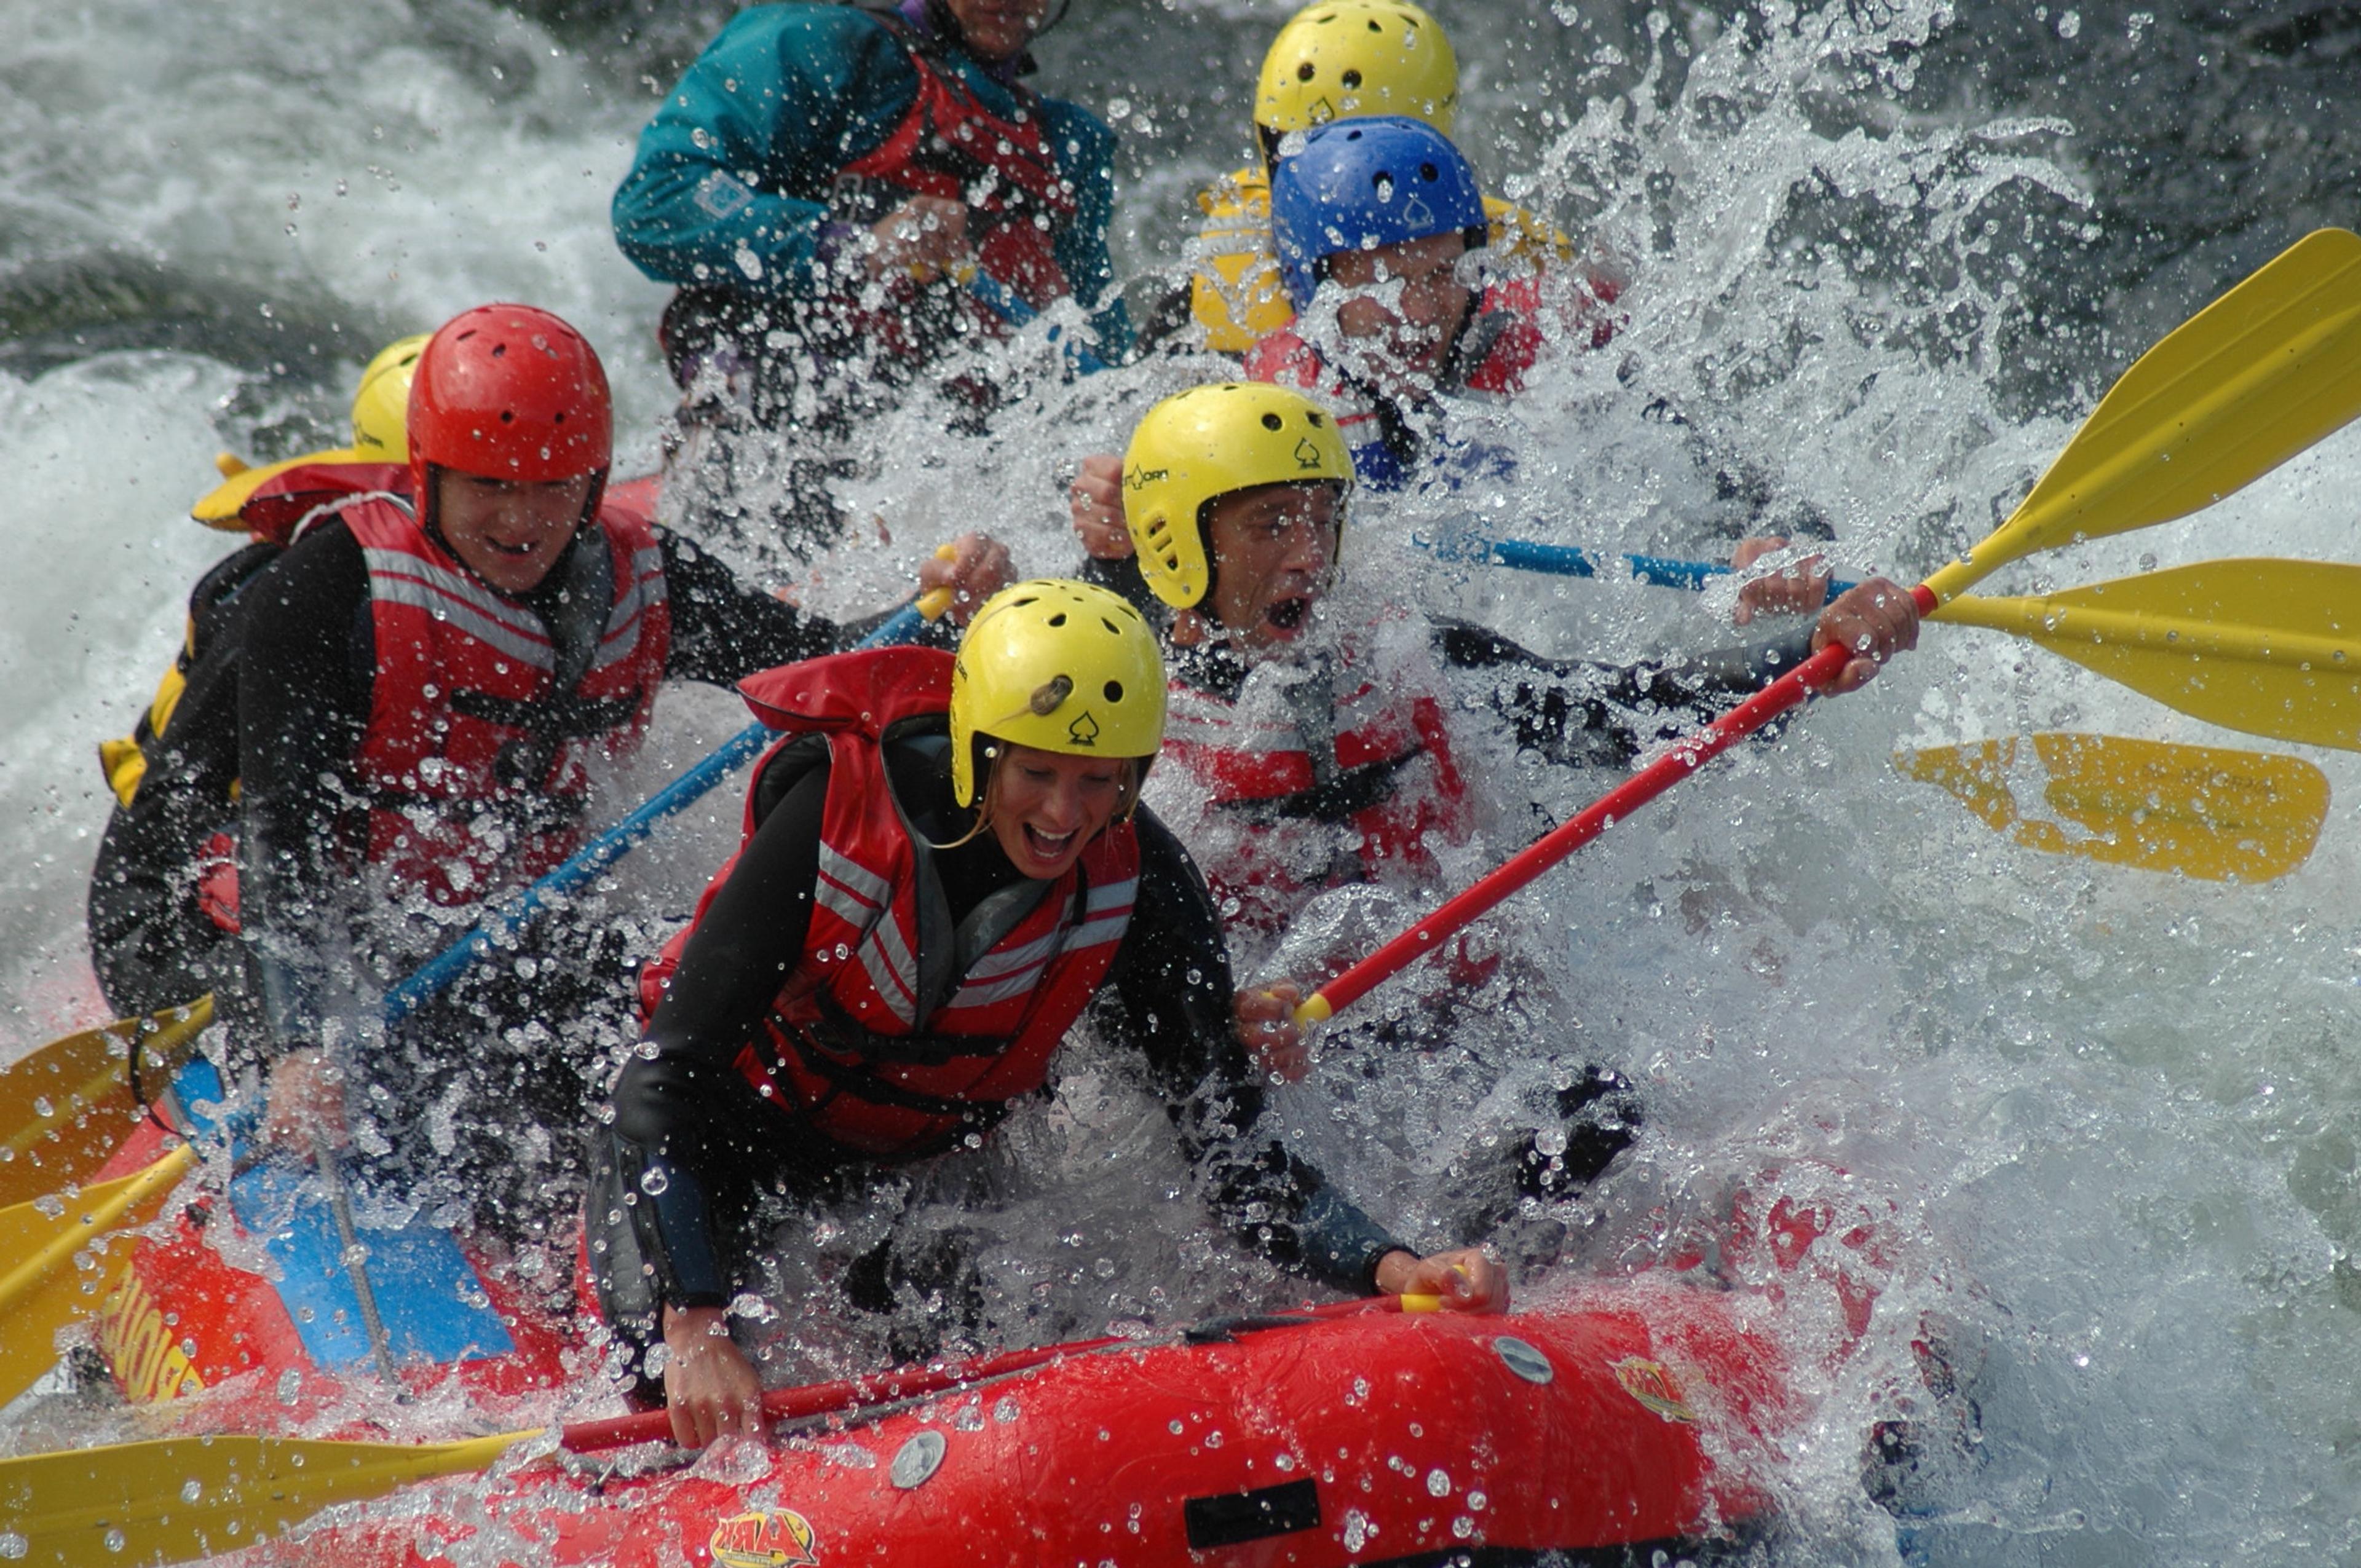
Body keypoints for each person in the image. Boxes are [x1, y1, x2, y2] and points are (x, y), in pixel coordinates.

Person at [89, 303, 1011, 1224]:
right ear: (429, 473)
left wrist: (942, 610)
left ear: (595, 477)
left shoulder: (637, 576)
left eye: (552, 485)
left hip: (468, 933)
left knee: (682, 1013)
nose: (523, 518)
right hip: (209, 921)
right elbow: (279, 833)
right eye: (489, 486)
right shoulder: (329, 589)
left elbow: (821, 666)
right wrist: (295, 1045)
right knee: (416, 1099)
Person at [590, 578, 1508, 1448]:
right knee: (664, 1380)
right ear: (977, 748)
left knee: (954, 1346)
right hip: (724, 1141)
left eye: (1104, 779)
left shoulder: (1142, 879)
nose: (1067, 813)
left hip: (920, 1177)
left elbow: (1237, 1158)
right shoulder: (833, 814)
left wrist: (1397, 1267)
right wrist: (696, 1324)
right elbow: (667, 1074)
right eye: (1037, 772)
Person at [612, 0, 1127, 560]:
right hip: (771, 446)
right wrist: (853, 246)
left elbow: (1105, 362)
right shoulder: (820, 43)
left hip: (957, 474)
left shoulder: (1069, 149)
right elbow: (658, 200)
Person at [1182, 0, 1602, 355]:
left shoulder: (1504, 254)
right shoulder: (1228, 270)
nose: (1326, 188)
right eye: (1294, 156)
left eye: (1360, 158)